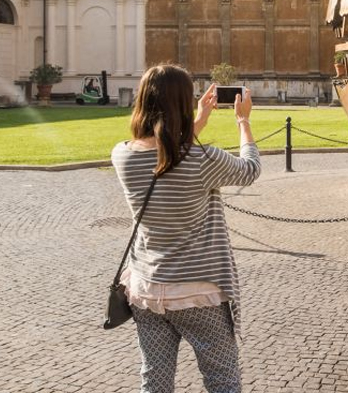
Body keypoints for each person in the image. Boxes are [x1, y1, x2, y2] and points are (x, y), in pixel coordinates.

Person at [112, 64, 261, 392]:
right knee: (222, 379)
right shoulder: (202, 159)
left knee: (155, 378)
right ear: (181, 103)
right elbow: (250, 169)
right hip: (199, 292)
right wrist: (243, 121)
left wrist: (199, 121)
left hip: (146, 288)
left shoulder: (121, 155)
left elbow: (164, 154)